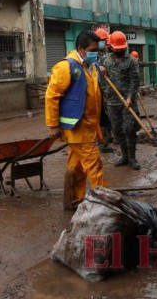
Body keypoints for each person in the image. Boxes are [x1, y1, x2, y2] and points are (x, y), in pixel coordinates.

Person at [45, 30, 107, 210]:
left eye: (98, 50)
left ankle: (73, 200)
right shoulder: (66, 67)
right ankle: (105, 205)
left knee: (77, 167)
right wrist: (53, 125)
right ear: (81, 48)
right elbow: (52, 96)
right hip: (78, 127)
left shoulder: (91, 66)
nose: (96, 53)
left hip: (89, 126)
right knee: (95, 166)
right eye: (93, 50)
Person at [100, 31, 141, 170]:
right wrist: (104, 91)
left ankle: (132, 158)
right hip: (111, 102)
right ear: (110, 46)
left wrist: (130, 97)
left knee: (129, 129)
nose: (119, 50)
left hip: (127, 102)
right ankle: (124, 156)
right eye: (116, 48)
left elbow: (134, 82)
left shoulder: (131, 61)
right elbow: (99, 77)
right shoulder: (104, 60)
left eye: (121, 48)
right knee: (117, 131)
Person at [94, 28, 114, 154]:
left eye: (105, 41)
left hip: (107, 89)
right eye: (102, 41)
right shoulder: (93, 54)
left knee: (109, 116)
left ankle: (108, 137)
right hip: (99, 89)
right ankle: (102, 144)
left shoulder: (106, 52)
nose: (104, 43)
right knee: (103, 117)